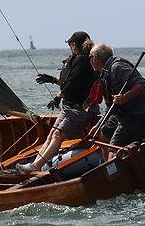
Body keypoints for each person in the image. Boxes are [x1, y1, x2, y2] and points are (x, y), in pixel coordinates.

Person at [17, 31, 98, 173]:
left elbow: (73, 83)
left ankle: (35, 166)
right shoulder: (76, 59)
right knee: (52, 133)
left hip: (80, 109)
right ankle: (35, 165)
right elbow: (68, 82)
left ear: (73, 45)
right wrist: (52, 79)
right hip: (69, 107)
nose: (69, 47)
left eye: (70, 44)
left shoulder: (83, 61)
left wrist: (58, 97)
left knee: (58, 135)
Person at [89, 43, 145, 147]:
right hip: (121, 113)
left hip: (137, 114)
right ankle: (108, 162)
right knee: (103, 134)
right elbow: (110, 106)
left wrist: (125, 97)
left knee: (114, 145)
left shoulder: (117, 67)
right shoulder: (104, 73)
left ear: (96, 58)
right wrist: (97, 125)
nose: (90, 61)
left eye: (90, 58)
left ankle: (117, 159)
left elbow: (142, 85)